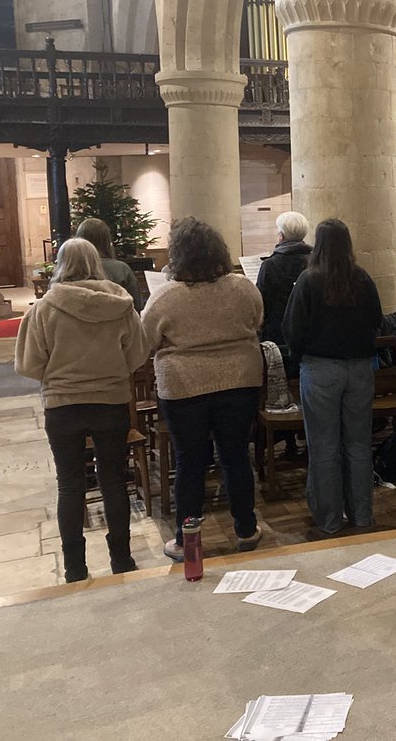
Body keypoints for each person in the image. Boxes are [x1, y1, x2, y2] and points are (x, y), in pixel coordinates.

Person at [14, 238, 148, 582]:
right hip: (111, 401)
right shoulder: (120, 305)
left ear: (60, 264)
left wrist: (60, 374)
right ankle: (122, 559)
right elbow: (137, 356)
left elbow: (29, 364)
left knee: (70, 485)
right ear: (96, 263)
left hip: (63, 405)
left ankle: (75, 567)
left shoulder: (44, 308)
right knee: (114, 482)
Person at [142, 217, 265, 560]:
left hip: (183, 387)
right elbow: (257, 320)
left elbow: (145, 340)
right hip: (239, 381)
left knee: (190, 463)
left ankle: (187, 540)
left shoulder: (165, 297)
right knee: (236, 456)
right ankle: (246, 530)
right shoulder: (242, 287)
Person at [282, 219, 383, 538]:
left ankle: (330, 520)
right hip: (359, 367)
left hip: (321, 367)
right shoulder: (362, 278)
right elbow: (376, 320)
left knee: (324, 446)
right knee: (358, 444)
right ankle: (362, 515)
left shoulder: (309, 279)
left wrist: (298, 359)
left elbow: (291, 328)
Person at [256, 211, 312, 358]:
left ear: (281, 236)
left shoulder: (269, 265)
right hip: (309, 334)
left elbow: (260, 302)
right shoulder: (314, 261)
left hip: (277, 335)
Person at [74, 217, 142, 310]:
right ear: (106, 240)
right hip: (118, 323)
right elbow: (136, 307)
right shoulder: (121, 269)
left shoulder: (68, 271)